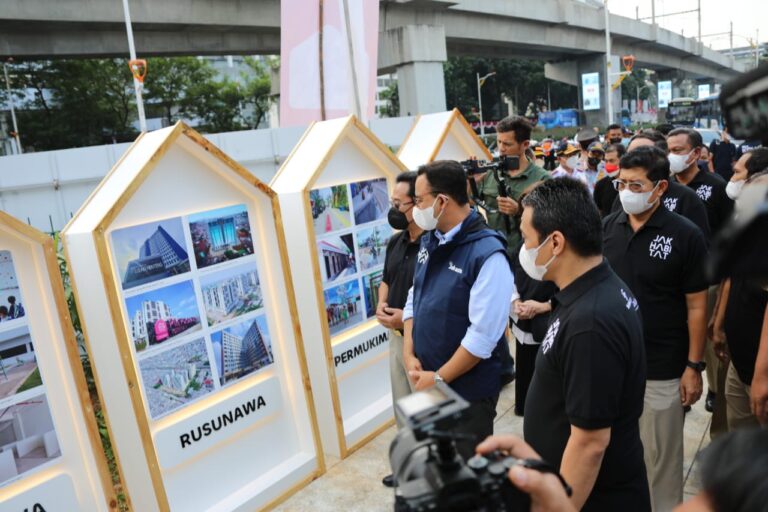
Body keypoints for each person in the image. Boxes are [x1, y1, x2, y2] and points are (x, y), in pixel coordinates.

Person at [516, 178, 649, 511]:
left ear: (556, 242)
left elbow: (590, 442)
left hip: (594, 498)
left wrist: (558, 506)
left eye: (526, 238)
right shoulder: (595, 286)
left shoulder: (590, 323)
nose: (524, 248)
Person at [603, 146, 708, 511]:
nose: (626, 192)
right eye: (621, 183)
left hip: (661, 367)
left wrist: (693, 367)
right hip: (613, 365)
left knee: (660, 462)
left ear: (660, 188)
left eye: (636, 185)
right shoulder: (608, 228)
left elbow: (697, 305)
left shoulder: (684, 235)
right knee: (616, 455)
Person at [402, 160, 515, 459]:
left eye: (419, 201)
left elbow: (482, 337)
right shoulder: (431, 239)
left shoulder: (487, 254)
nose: (415, 209)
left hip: (467, 393)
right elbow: (416, 294)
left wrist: (438, 377)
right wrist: (408, 351)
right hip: (431, 381)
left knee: (468, 474)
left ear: (442, 201)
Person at [376, 171, 423, 488]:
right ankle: (408, 467)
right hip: (395, 338)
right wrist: (381, 305)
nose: (393, 209)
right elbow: (386, 279)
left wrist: (403, 317)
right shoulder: (396, 241)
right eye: (391, 202)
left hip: (421, 340)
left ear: (416, 203)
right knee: (402, 408)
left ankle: (429, 470)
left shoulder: (433, 245)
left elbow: (433, 297)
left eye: (398, 203)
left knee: (424, 409)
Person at [609, 134, 711, 239]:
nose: (635, 158)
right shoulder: (608, 225)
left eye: (636, 185)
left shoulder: (686, 200)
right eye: (631, 153)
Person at [476, 115, 550, 254]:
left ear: (525, 145)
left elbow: (550, 221)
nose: (501, 149)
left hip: (527, 255)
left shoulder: (542, 178)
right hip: (494, 252)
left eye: (507, 144)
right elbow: (469, 202)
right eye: (499, 142)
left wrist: (519, 211)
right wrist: (472, 182)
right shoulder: (490, 173)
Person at [668, 128, 734, 237]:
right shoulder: (664, 186)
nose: (671, 156)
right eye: (668, 151)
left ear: (696, 152)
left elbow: (729, 228)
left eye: (677, 150)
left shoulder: (717, 185)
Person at [593, 142, 625, 217]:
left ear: (623, 160)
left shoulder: (632, 184)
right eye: (606, 161)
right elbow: (599, 211)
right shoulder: (601, 185)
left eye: (611, 161)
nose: (608, 165)